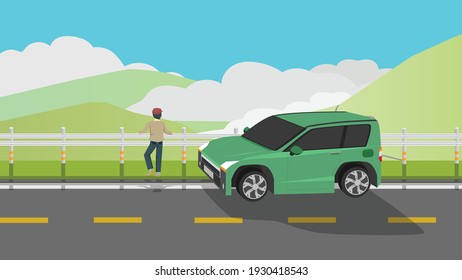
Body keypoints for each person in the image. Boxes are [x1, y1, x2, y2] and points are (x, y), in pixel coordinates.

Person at [138, 107, 172, 176]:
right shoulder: (162, 123)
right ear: (160, 115)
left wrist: (138, 132)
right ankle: (158, 172)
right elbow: (166, 131)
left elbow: (144, 131)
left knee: (146, 154)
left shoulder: (150, 123)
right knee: (158, 156)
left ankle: (150, 168)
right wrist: (171, 133)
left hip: (153, 141)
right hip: (160, 142)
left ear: (153, 114)